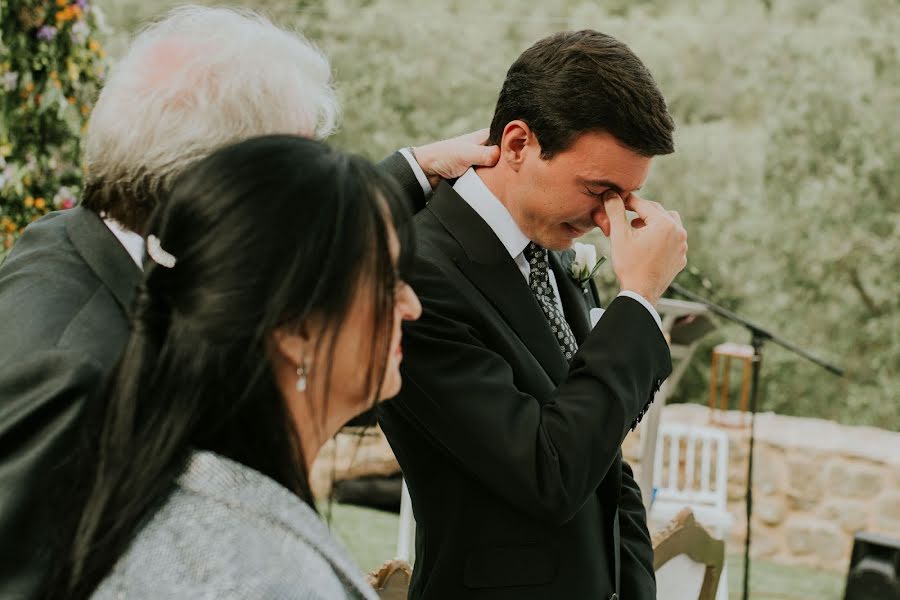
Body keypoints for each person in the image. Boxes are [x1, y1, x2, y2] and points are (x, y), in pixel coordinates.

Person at [0, 7, 495, 598]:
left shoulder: (75, 242)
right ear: (229, 186)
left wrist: (414, 171)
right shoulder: (81, 373)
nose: (308, 185)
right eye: (296, 164)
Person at [377, 30, 688, 600]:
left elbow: (607, 467)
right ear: (518, 144)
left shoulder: (547, 252)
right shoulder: (418, 273)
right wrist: (637, 302)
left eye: (624, 196)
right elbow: (549, 473)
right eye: (598, 190)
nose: (606, 218)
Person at [44, 134, 421, 599]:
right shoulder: (254, 577)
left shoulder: (182, 501)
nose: (412, 305)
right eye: (389, 283)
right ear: (295, 327)